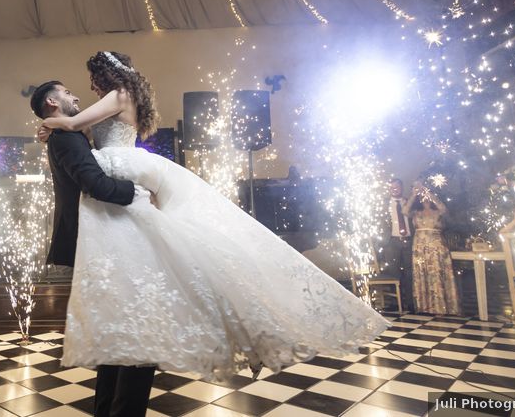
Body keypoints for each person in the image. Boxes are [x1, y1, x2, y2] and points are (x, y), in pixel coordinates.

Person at [36, 51, 390, 387]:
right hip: (123, 175)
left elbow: (72, 123)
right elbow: (81, 133)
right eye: (73, 89)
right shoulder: (123, 95)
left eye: (92, 80)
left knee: (180, 249)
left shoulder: (119, 93)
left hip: (122, 171)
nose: (90, 89)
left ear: (105, 72)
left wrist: (49, 124)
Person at [29, 81, 157, 417]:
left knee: (118, 336)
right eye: (67, 92)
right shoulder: (68, 137)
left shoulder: (71, 133)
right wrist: (139, 191)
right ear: (51, 101)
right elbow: (95, 184)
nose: (76, 96)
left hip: (109, 239)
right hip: (107, 243)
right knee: (135, 336)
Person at [407, 180, 460, 314]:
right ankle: (425, 306)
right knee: (422, 273)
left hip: (436, 246)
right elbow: (404, 210)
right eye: (422, 196)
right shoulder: (415, 212)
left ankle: (442, 306)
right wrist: (414, 194)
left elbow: (443, 208)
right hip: (420, 247)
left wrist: (427, 191)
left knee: (437, 273)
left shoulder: (438, 211)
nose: (425, 199)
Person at [382, 178, 414, 312]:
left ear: (402, 187)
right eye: (392, 187)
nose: (395, 190)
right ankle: (396, 302)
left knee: (409, 271)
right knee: (394, 271)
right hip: (392, 241)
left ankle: (411, 303)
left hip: (408, 239)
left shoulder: (409, 202)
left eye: (397, 187)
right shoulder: (384, 204)